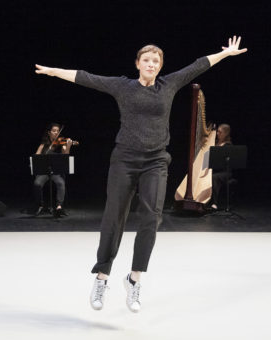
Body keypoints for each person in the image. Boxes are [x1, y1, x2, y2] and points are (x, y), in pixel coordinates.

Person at [35, 36, 247, 312]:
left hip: (156, 161)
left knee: (152, 217)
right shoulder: (123, 87)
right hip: (124, 159)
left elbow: (198, 66)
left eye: (156, 61)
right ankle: (102, 276)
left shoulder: (168, 84)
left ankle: (134, 279)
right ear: (137, 64)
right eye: (146, 60)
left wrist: (226, 54)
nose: (151, 64)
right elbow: (86, 77)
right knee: (114, 216)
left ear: (160, 66)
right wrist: (54, 71)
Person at [32, 123, 73, 217]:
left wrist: (69, 146)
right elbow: (36, 156)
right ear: (49, 133)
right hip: (44, 171)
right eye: (54, 131)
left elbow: (65, 156)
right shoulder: (44, 144)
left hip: (56, 171)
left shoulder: (61, 142)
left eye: (58, 131)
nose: (56, 133)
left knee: (60, 183)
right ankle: (40, 205)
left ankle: (59, 206)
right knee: (37, 184)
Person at [210, 123, 233, 210]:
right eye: (217, 132)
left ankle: (214, 203)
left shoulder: (228, 145)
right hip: (216, 171)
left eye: (220, 132)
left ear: (226, 133)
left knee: (214, 177)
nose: (217, 134)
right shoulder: (214, 143)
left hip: (225, 172)